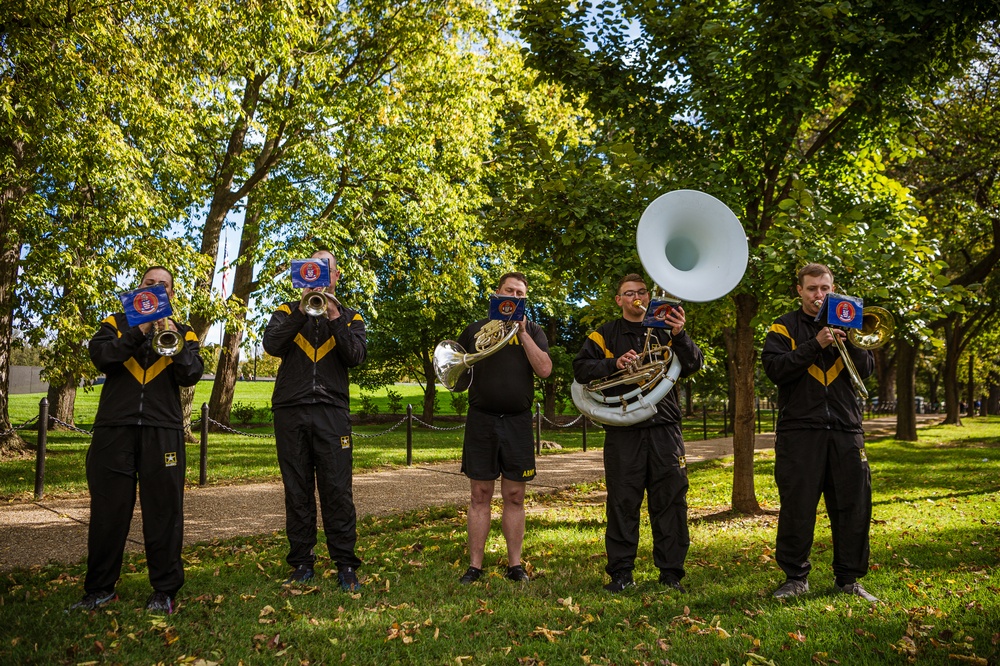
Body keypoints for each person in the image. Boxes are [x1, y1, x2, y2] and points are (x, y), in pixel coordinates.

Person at [70, 266, 204, 614]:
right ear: (139, 288)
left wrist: (171, 337)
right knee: (107, 512)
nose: (157, 288)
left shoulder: (183, 330)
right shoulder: (115, 323)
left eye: (164, 285)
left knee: (164, 512)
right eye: (150, 283)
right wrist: (140, 327)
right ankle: (100, 589)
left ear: (171, 295)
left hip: (164, 431)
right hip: (115, 428)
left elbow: (190, 374)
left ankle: (164, 591)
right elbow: (102, 357)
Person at [573, 274, 704, 593]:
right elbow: (580, 369)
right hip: (623, 430)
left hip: (665, 428)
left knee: (671, 502)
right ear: (618, 300)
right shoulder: (604, 333)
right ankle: (621, 574)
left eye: (641, 292)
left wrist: (680, 333)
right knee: (621, 502)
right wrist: (614, 364)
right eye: (628, 293)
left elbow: (694, 364)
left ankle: (671, 574)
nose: (636, 297)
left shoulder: (666, 329)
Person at [762, 262, 878, 602]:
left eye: (825, 288)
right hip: (800, 430)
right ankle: (795, 577)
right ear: (799, 290)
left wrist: (850, 339)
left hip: (846, 428)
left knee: (853, 507)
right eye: (812, 289)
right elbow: (775, 369)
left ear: (833, 288)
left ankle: (849, 580)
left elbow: (867, 370)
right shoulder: (783, 327)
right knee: (797, 506)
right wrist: (816, 343)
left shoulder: (849, 321)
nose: (819, 295)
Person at [263, 250, 367, 590]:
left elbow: (355, 357)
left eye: (327, 271)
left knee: (338, 490)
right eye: (314, 270)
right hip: (290, 410)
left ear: (336, 277)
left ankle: (345, 565)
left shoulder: (351, 316)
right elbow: (272, 345)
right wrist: (302, 306)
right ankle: (301, 563)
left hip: (331, 412)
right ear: (303, 275)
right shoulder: (285, 311)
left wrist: (333, 312)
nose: (320, 277)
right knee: (297, 490)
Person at [456, 272, 552, 584]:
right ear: (498, 293)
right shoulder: (474, 329)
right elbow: (455, 375)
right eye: (509, 290)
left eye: (520, 293)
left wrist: (522, 334)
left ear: (524, 300)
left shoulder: (533, 330)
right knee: (480, 493)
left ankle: (515, 565)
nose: (514, 295)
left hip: (518, 423)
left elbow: (545, 370)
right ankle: (475, 566)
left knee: (514, 495)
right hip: (481, 420)